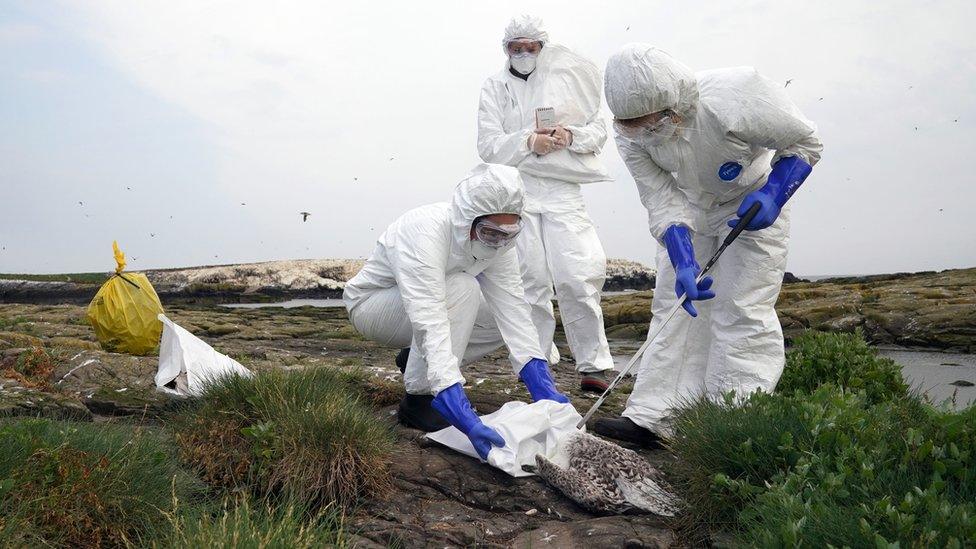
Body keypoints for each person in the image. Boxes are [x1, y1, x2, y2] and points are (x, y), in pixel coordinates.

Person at [594, 44, 823, 446]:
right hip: (691, 210)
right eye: (634, 124)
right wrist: (682, 258)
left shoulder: (737, 94)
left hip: (752, 200)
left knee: (741, 308)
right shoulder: (629, 135)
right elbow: (661, 198)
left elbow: (805, 142)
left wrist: (775, 191)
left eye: (652, 122)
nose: (646, 132)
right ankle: (654, 417)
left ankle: (730, 422)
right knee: (672, 305)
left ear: (672, 103)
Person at [343, 163, 570, 460]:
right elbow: (429, 317)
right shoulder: (424, 231)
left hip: (426, 307)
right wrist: (451, 397)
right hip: (373, 307)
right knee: (463, 287)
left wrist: (540, 382)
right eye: (490, 233)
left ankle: (417, 360)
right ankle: (419, 399)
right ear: (468, 219)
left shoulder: (498, 243)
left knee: (503, 314)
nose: (499, 242)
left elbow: (513, 309)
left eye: (509, 232)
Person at [477, 15, 615, 393]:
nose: (523, 53)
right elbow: (487, 145)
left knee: (578, 275)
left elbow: (597, 130)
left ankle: (594, 365)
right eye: (515, 47)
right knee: (529, 280)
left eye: (530, 47)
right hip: (516, 192)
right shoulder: (494, 87)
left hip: (563, 191)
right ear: (505, 49)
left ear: (542, 46)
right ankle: (535, 363)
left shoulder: (566, 81)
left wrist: (569, 135)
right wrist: (527, 142)